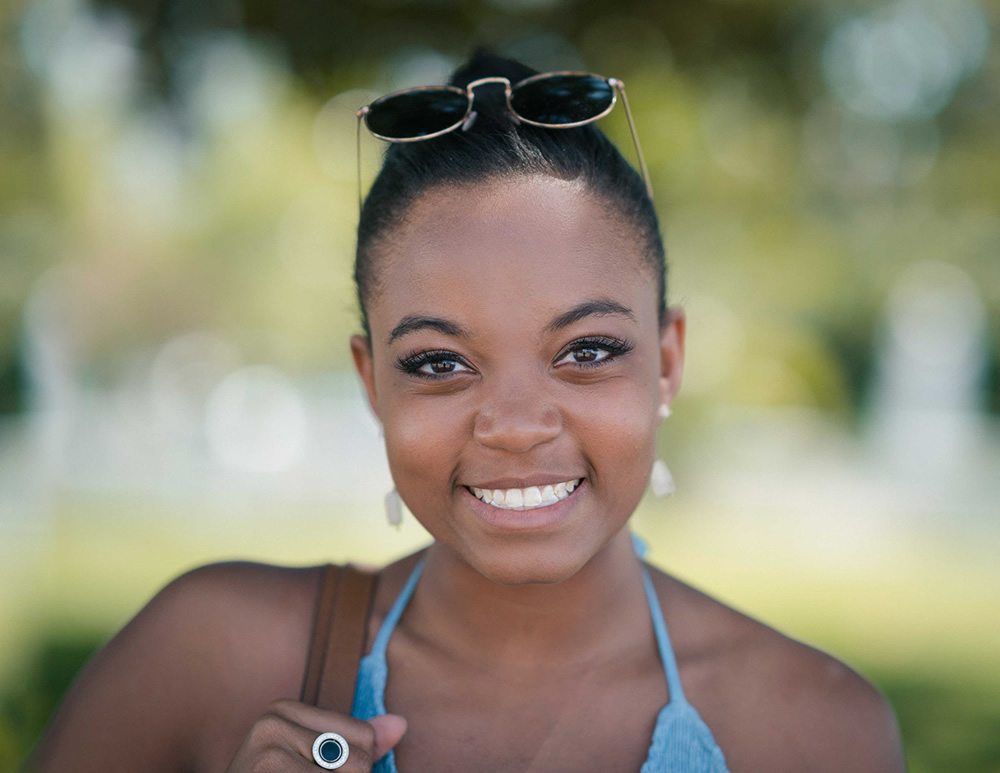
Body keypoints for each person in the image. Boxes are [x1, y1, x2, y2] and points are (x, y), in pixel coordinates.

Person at [27, 50, 905, 772]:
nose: (516, 424)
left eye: (587, 352)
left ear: (667, 362)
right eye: (439, 362)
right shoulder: (209, 656)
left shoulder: (815, 731)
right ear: (373, 383)